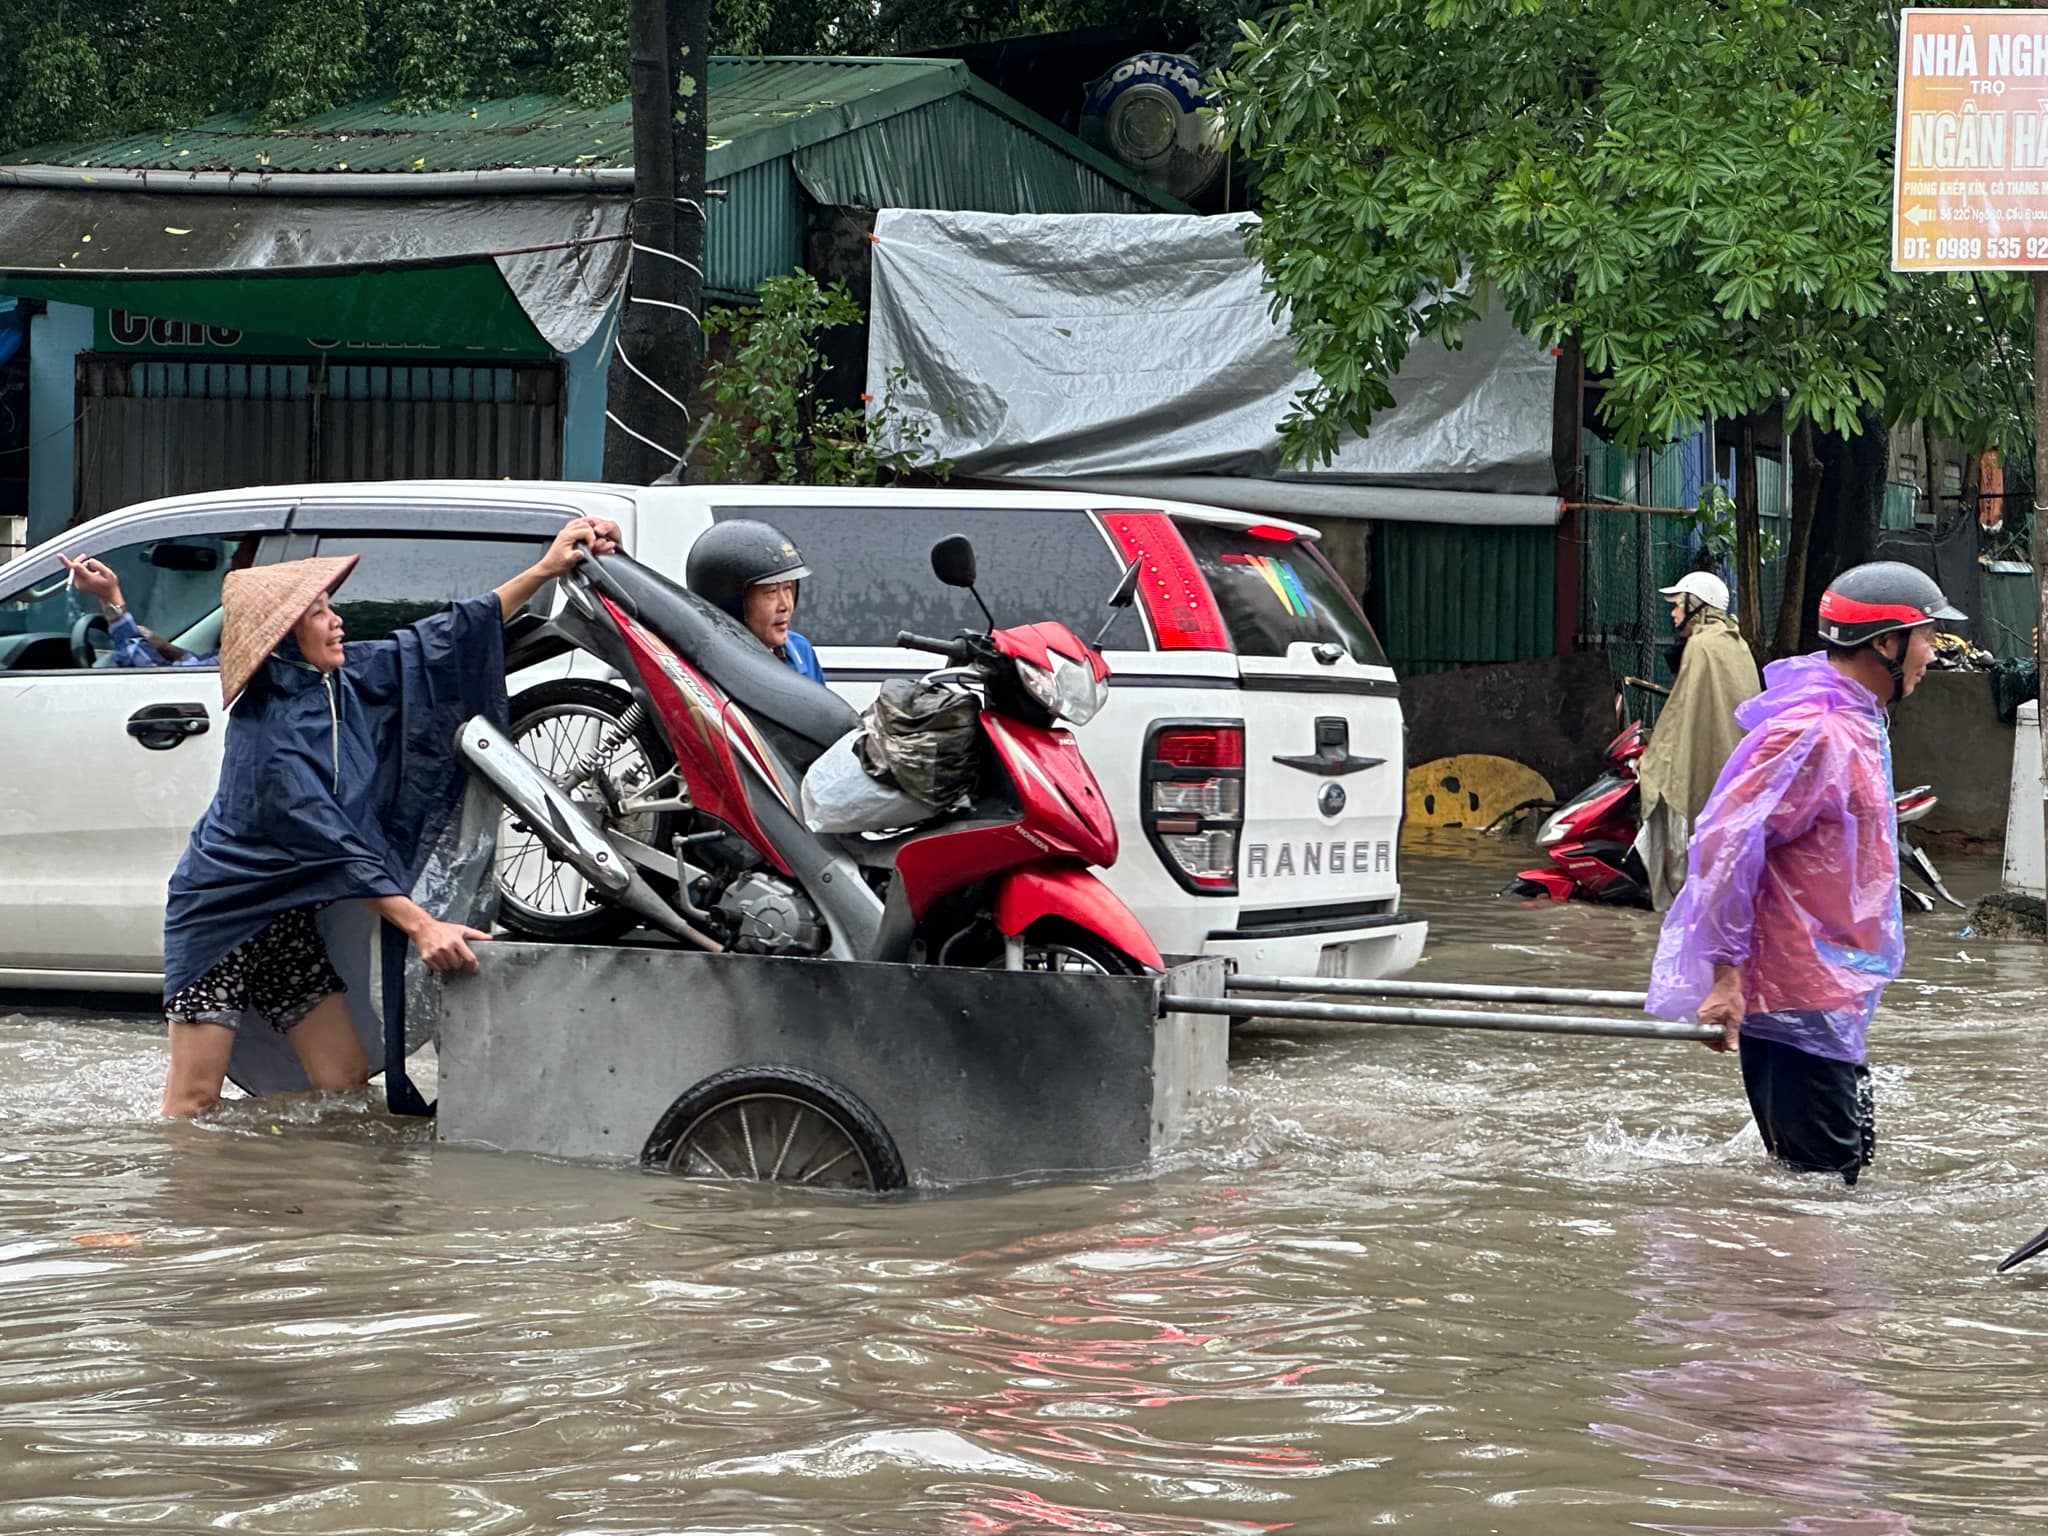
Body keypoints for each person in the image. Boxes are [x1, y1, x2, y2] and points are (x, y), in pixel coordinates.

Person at [157, 517, 622, 1117]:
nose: (337, 620)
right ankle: (178, 1210)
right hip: (222, 918)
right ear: (283, 638)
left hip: (286, 921)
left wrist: (544, 569)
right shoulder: (268, 740)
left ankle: (316, 1205)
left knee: (345, 1082)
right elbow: (335, 845)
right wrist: (422, 925)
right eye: (320, 612)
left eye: (331, 607)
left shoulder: (340, 679)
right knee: (193, 1101)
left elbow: (435, 643)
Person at [1646, 561, 1963, 1185]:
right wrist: (1726, 977)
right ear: (1885, 643)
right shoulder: (1811, 733)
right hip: (1794, 994)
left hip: (1827, 996)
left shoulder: (1857, 724)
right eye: (1927, 635)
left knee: (1838, 1178)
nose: (1935, 651)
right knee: (1822, 1186)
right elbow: (1724, 849)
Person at [1632, 571, 1761, 909]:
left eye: (1677, 605)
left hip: (1707, 765)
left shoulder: (1702, 647)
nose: (1673, 614)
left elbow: (1680, 718)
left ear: (1697, 606)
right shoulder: (1735, 643)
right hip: (1737, 771)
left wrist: (1655, 757)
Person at [59, 537, 261, 667]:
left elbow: (148, 675)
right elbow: (200, 665)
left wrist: (109, 598)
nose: (227, 581)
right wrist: (167, 649)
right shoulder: (274, 648)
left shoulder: (259, 653)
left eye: (236, 571)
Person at [684, 519, 826, 683]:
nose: (785, 605)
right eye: (771, 592)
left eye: (788, 588)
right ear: (731, 601)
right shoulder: (703, 667)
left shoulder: (801, 652)